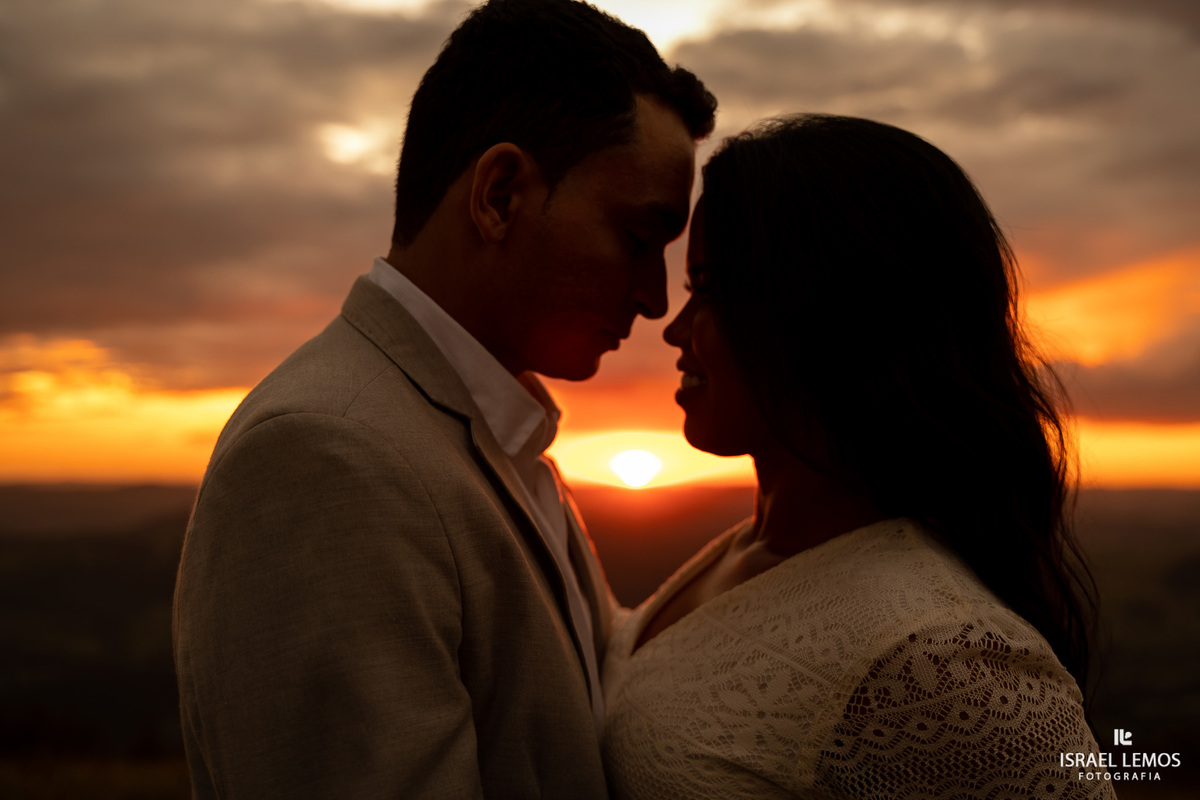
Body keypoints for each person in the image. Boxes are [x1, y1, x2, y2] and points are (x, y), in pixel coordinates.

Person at [172, 1, 715, 796]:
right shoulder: (326, 457)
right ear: (499, 195)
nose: (655, 298)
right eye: (639, 237)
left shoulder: (489, 433)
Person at [602, 114, 1116, 799]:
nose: (673, 328)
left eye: (712, 288)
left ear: (827, 310)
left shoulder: (942, 664)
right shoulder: (754, 546)